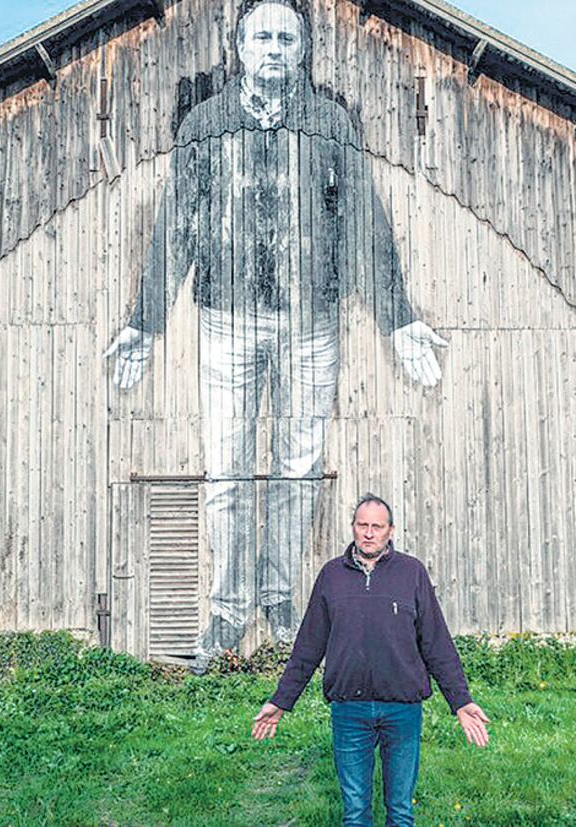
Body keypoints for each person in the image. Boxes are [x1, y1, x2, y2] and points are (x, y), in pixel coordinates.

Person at [105, 0, 449, 671]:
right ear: (237, 45)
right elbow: (174, 226)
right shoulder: (205, 126)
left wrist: (399, 316)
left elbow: (362, 225)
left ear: (302, 51)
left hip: (310, 322)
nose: (271, 47)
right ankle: (228, 610)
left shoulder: (328, 124)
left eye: (284, 38)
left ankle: (280, 599)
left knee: (294, 469)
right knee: (228, 471)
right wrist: (144, 322)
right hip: (225, 319)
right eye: (259, 35)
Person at [251, 494, 490, 826]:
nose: (368, 533)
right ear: (353, 528)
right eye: (362, 525)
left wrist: (460, 701)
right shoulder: (332, 576)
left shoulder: (411, 573)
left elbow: (437, 643)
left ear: (390, 531)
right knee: (355, 813)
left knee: (401, 811)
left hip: (402, 709)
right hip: (350, 710)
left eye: (377, 526)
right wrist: (281, 701)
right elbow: (308, 647)